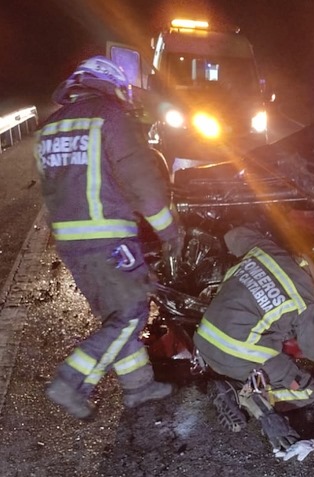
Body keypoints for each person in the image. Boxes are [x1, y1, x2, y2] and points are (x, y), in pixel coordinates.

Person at [35, 56, 183, 419]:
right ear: (110, 85)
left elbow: (53, 190)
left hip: (72, 244)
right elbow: (142, 183)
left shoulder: (50, 127)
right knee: (132, 313)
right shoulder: (110, 116)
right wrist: (169, 230)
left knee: (117, 317)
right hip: (108, 238)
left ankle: (139, 386)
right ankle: (72, 381)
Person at [192, 226, 314, 449]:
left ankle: (240, 383)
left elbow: (232, 235)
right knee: (307, 390)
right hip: (234, 355)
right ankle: (242, 395)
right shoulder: (308, 302)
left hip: (203, 340)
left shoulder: (268, 250)